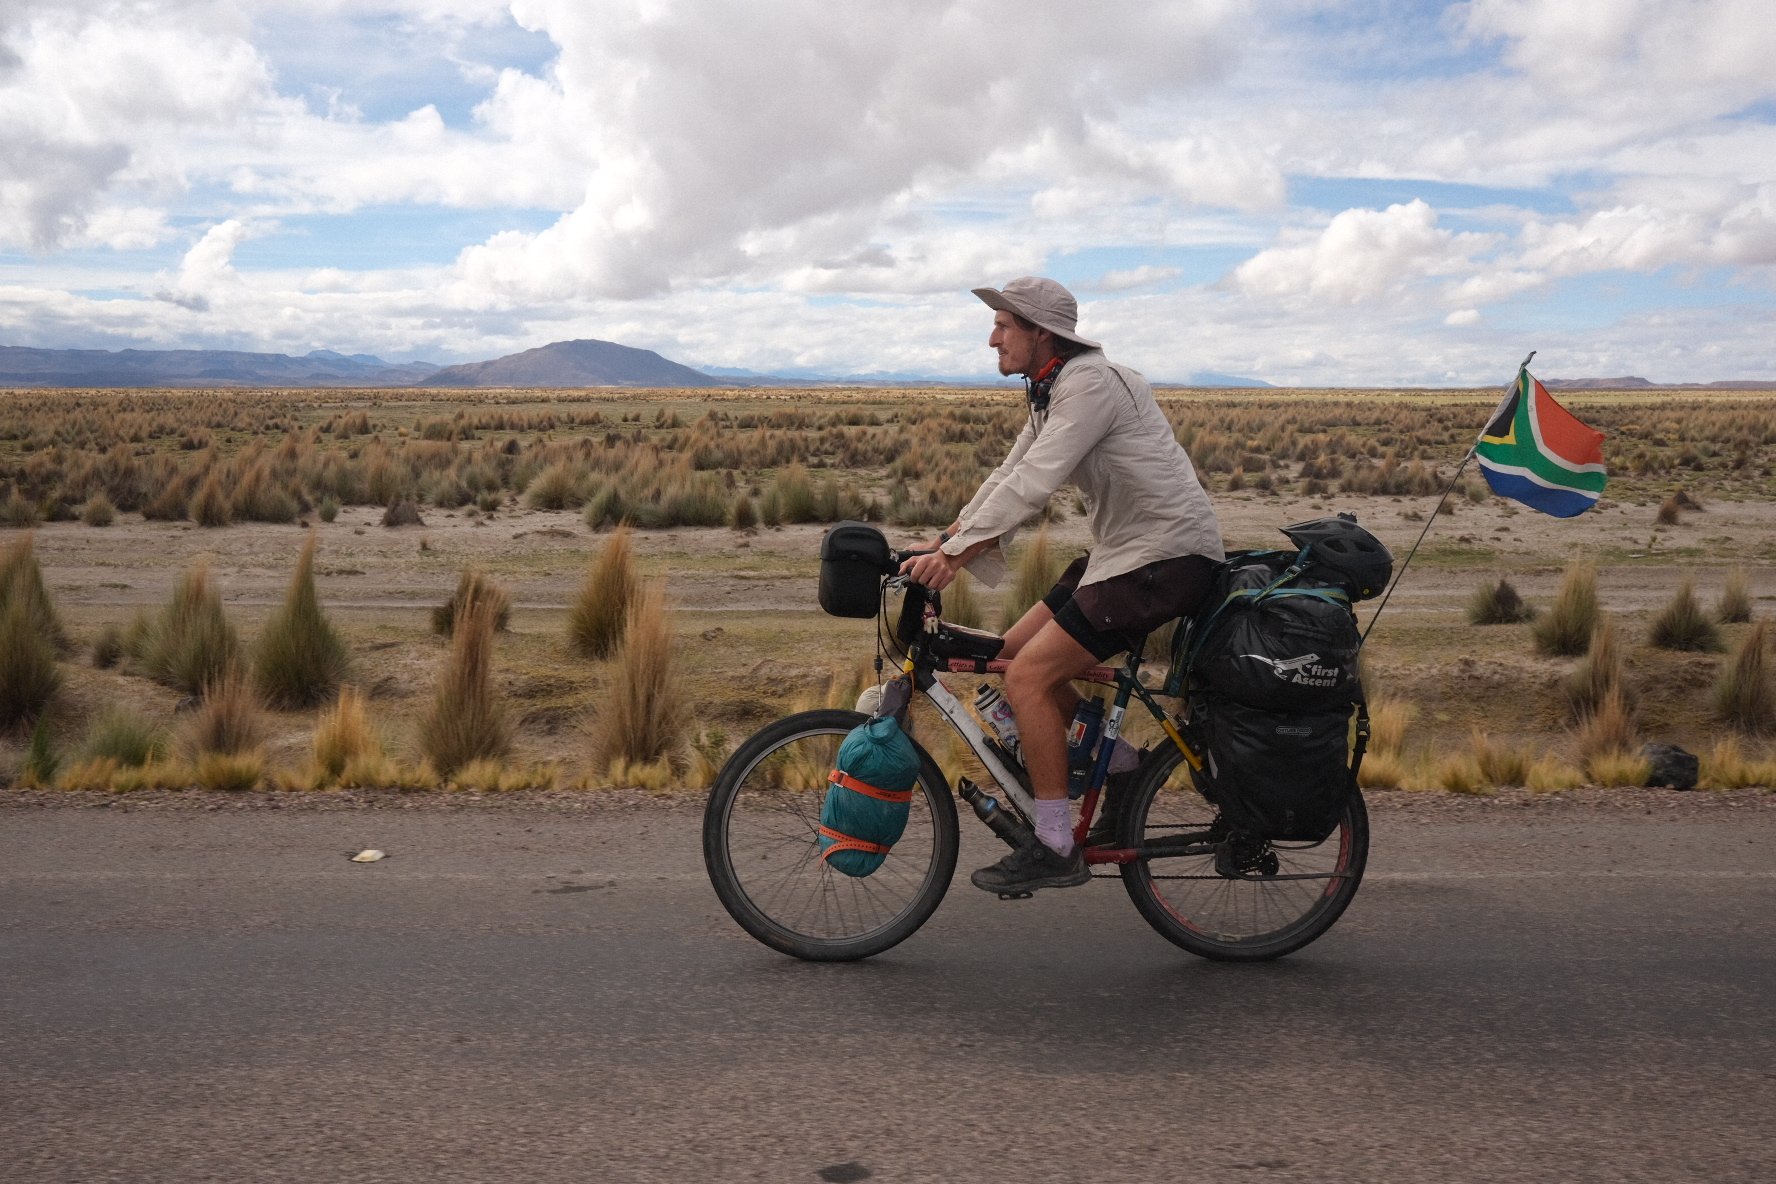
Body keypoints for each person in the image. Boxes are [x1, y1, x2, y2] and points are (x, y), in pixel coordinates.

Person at [900, 276, 1224, 895]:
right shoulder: (1055, 390)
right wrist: (948, 539)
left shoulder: (1091, 385)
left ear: (1040, 333)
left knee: (1027, 678)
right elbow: (1010, 471)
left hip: (1164, 559)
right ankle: (1121, 766)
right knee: (1010, 657)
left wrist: (961, 555)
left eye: (1004, 325)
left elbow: (1036, 483)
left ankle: (1054, 845)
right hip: (1124, 554)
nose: (992, 336)